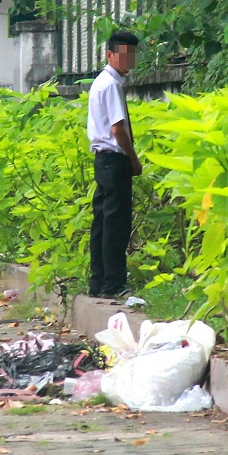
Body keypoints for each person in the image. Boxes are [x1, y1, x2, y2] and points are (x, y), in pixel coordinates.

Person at [86, 28, 140, 298]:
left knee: (102, 223)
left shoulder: (101, 82)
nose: (129, 61)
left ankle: (98, 282)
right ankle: (113, 284)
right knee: (116, 224)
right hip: (114, 158)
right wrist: (133, 159)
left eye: (133, 55)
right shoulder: (112, 84)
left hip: (102, 159)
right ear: (110, 55)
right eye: (125, 55)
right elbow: (118, 129)